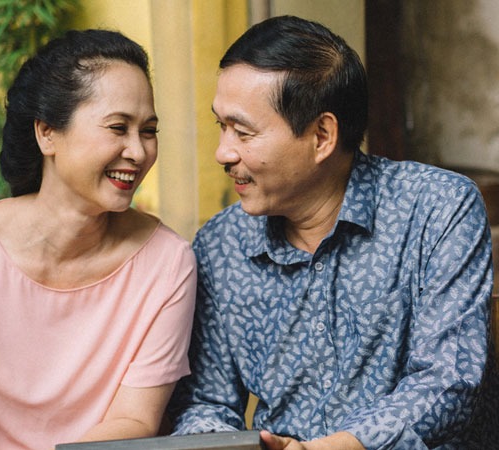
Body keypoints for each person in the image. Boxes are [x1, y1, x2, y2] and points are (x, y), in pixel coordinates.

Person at [168, 15, 498, 450]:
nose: (222, 153)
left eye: (243, 132)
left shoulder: (437, 208)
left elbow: (448, 380)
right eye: (221, 127)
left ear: (322, 136)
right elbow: (205, 401)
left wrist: (332, 447)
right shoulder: (221, 244)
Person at [0, 29, 196, 450]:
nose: (138, 152)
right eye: (118, 127)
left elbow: (134, 419)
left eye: (149, 131)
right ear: (47, 133)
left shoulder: (167, 263)